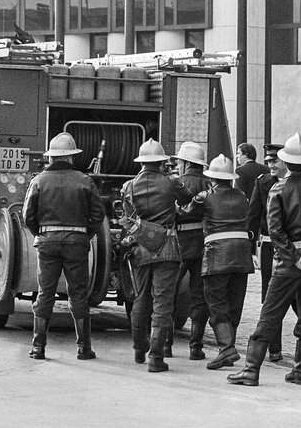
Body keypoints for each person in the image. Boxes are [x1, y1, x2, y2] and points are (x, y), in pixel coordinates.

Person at [228, 133, 301, 387]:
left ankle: (251, 370)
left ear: (287, 161)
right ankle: (300, 371)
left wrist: (295, 258)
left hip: (288, 263)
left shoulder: (278, 189)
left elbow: (276, 231)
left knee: (270, 313)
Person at [23, 132, 104, 361]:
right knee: (78, 293)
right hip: (76, 243)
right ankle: (83, 348)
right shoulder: (85, 181)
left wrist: (41, 234)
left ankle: (38, 348)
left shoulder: (38, 181)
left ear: (51, 157)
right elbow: (98, 215)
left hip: (47, 243)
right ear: (70, 157)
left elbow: (28, 215)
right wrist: (84, 235)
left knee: (45, 293)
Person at [121, 138, 191, 372]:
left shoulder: (129, 186)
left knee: (141, 299)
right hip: (167, 249)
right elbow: (188, 199)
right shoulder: (170, 182)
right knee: (162, 303)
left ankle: (139, 350)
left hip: (141, 249)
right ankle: (156, 357)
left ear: (141, 162)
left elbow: (128, 220)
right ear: (162, 162)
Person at [181, 154, 254, 370]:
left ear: (211, 178)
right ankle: (228, 346)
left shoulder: (205, 197)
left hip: (217, 257)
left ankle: (226, 348)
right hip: (242, 256)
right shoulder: (242, 196)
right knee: (234, 303)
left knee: (216, 303)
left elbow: (184, 213)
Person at [168, 141, 211, 360]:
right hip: (204, 244)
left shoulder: (176, 184)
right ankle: (196, 347)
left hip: (179, 243)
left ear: (185, 163)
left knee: (168, 293)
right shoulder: (211, 184)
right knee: (199, 296)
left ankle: (165, 344)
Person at [247, 143, 288, 362]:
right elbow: (253, 215)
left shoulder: (294, 184)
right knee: (270, 296)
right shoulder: (262, 183)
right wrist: (250, 247)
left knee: (296, 296)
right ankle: (275, 348)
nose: (270, 165)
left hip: (292, 247)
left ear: (285, 162)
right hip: (270, 246)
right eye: (268, 161)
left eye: (275, 161)